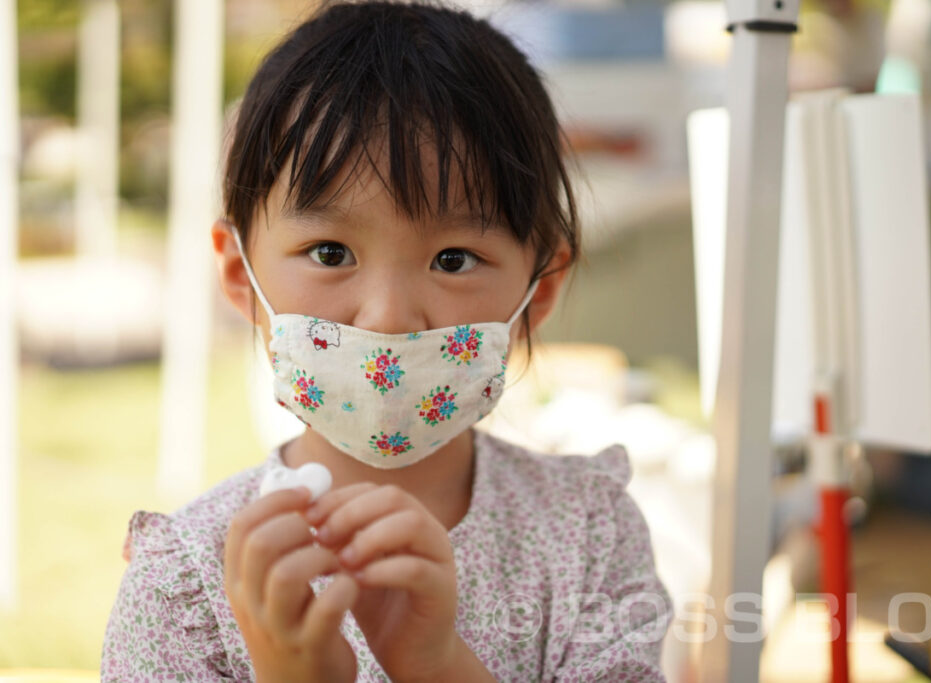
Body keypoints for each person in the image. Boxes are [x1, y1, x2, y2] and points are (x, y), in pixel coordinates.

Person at [100, 2, 672, 680]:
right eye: (331, 250)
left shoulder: (588, 536)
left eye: (453, 259)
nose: (387, 318)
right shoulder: (189, 584)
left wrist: (437, 665)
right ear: (239, 274)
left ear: (538, 289)